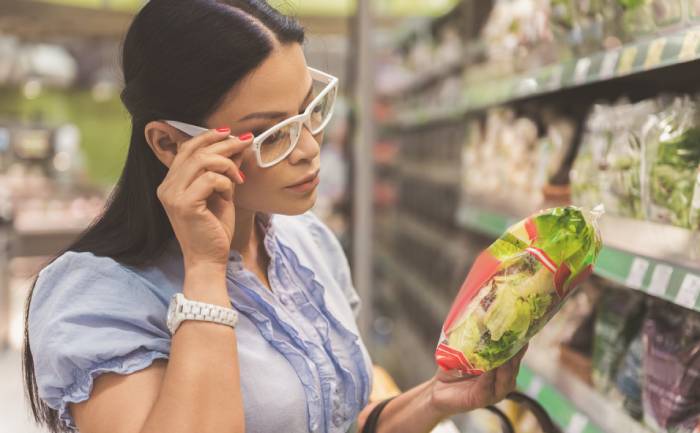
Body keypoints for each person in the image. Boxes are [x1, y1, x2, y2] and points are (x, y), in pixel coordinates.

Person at [22, 1, 525, 433]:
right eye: (272, 133)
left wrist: (434, 399)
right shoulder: (96, 297)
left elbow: (335, 420)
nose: (308, 149)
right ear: (170, 144)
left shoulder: (307, 244)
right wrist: (204, 270)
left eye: (310, 112)